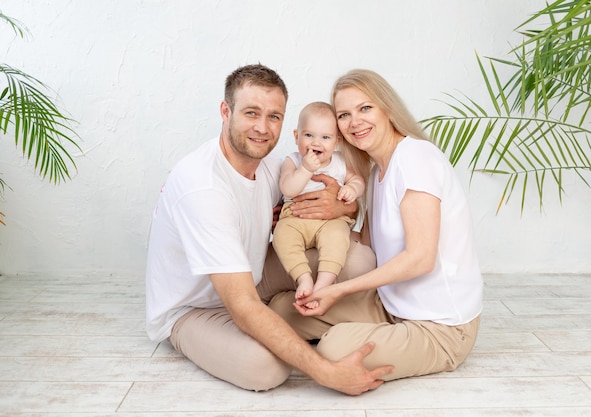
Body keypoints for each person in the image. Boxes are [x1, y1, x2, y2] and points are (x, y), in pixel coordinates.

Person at [145, 64, 392, 394]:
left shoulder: (270, 165)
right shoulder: (203, 188)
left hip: (254, 276)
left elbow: (323, 194)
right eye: (251, 113)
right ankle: (281, 320)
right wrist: (328, 372)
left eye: (274, 116)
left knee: (358, 258)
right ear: (225, 111)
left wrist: (342, 204)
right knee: (266, 368)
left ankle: (297, 313)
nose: (262, 127)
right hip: (196, 308)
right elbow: (242, 305)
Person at [269, 69, 483, 382]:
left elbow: (421, 258)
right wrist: (304, 218)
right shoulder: (374, 174)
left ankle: (368, 340)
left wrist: (337, 290)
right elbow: (367, 245)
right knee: (282, 311)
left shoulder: (415, 158)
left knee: (333, 348)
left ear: (387, 108)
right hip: (390, 307)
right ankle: (376, 334)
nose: (355, 122)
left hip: (441, 327)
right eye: (344, 114)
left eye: (365, 108)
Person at [272, 102, 365, 306]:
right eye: (308, 135)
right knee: (282, 236)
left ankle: (323, 283)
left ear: (336, 141)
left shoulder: (340, 162)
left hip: (330, 221)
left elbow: (358, 180)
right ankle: (303, 278)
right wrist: (305, 169)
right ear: (296, 136)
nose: (316, 142)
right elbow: (288, 188)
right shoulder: (293, 161)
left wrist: (352, 189)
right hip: (295, 217)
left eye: (325, 137)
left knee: (338, 238)